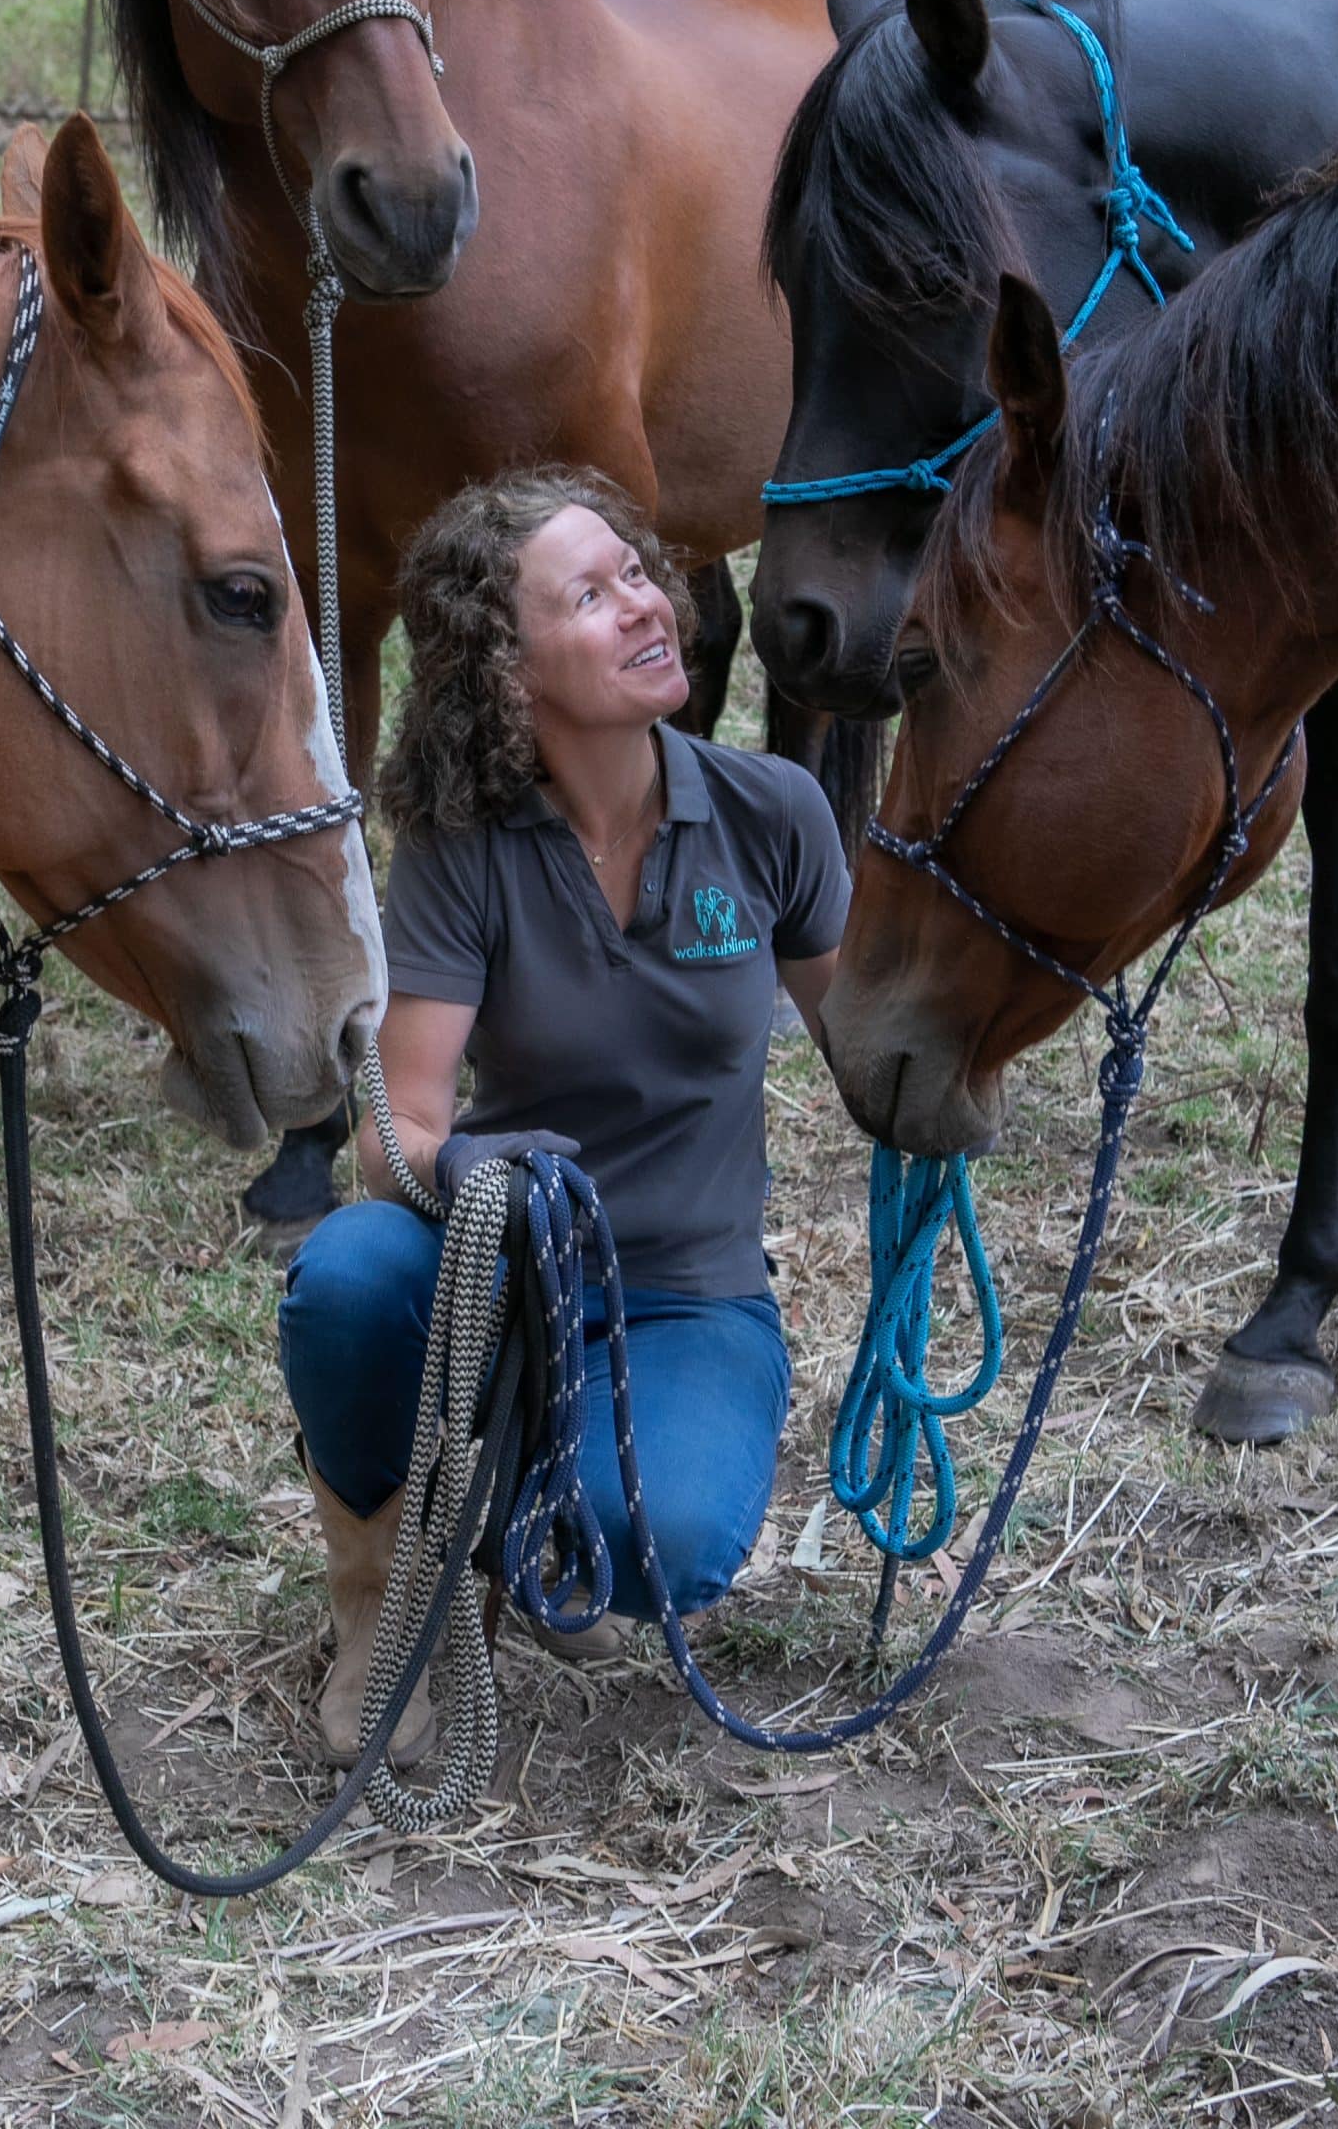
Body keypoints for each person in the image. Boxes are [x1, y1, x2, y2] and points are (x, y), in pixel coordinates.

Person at [279, 467, 850, 1766]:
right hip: (509, 1265)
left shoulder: (773, 816)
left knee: (667, 1545)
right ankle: (386, 1591)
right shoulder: (465, 847)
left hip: (687, 1292)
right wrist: (471, 1165)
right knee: (349, 1279)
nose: (646, 604)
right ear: (507, 672)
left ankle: (524, 1529)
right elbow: (392, 1133)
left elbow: (876, 1044)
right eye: (590, 596)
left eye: (639, 573)